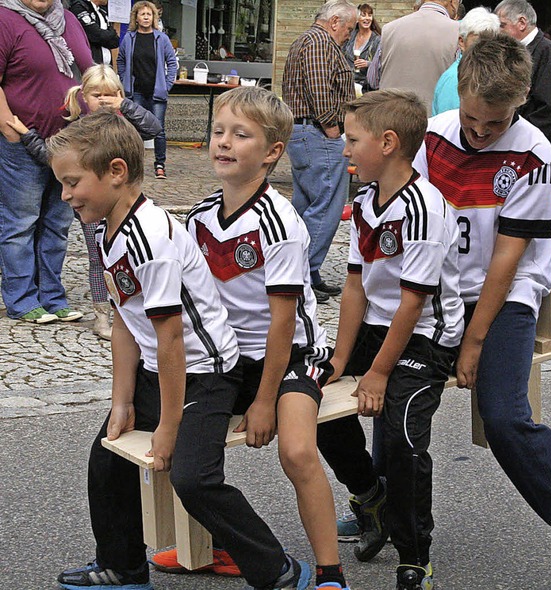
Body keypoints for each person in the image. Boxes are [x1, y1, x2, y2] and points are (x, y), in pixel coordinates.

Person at [49, 110, 312, 590]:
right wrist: (122, 401)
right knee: (108, 457)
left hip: (206, 374)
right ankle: (124, 568)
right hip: (164, 373)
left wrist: (168, 426)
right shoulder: (110, 229)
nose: (65, 195)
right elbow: (128, 325)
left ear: (116, 173)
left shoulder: (150, 238)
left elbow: (171, 341)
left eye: (72, 183)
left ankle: (276, 569)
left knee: (193, 478)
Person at [413, 32, 551, 590]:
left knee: (504, 416)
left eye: (494, 124)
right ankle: (387, 512)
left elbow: (509, 256)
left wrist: (474, 342)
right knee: (396, 402)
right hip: (439, 291)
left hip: (503, 297)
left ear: (522, 99)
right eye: (473, 121)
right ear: (462, 91)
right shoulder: (434, 133)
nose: (480, 133)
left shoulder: (533, 152)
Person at [173, 85, 348, 590]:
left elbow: (283, 321)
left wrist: (266, 401)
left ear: (272, 153)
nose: (223, 143)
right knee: (178, 450)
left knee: (295, 450)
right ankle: (217, 546)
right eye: (218, 132)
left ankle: (330, 572)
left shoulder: (281, 222)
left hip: (292, 356)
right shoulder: (200, 216)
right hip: (230, 358)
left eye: (240, 135)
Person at [320, 88, 464, 590]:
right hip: (377, 329)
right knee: (305, 396)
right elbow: (355, 285)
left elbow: (413, 302)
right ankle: (369, 496)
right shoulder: (365, 201)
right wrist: (339, 359)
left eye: (352, 140)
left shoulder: (424, 207)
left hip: (424, 337)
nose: (344, 150)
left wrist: (378, 373)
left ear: (387, 143)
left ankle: (414, 555)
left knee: (403, 439)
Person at [6, 64, 161, 340]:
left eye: (110, 94)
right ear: (83, 96)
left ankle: (140, 310)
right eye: (96, 94)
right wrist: (26, 133)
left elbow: (154, 127)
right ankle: (102, 315)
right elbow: (50, 154)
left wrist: (124, 104)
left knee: (136, 254)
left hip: (127, 205)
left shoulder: (124, 121)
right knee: (97, 256)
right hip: (92, 208)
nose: (103, 100)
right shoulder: (77, 127)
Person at [0, 0, 92, 324]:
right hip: (22, 141)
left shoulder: (67, 19)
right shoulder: (5, 18)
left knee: (58, 223)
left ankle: (52, 297)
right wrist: (9, 129)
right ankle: (22, 300)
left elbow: (88, 72)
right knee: (20, 224)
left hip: (70, 143)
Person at [282, 0, 358, 304]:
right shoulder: (318, 41)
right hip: (316, 132)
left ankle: (305, 275)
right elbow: (318, 87)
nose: (349, 36)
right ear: (336, 21)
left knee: (305, 206)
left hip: (306, 132)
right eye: (349, 29)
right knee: (325, 206)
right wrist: (332, 128)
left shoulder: (308, 40)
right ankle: (301, 275)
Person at [495, 0, 551, 160]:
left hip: (533, 149)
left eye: (502, 25)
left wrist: (514, 131)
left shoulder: (546, 51)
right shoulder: (518, 50)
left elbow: (549, 107)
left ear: (521, 23)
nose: (498, 32)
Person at [117, 0, 176, 180]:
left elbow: (172, 63)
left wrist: (167, 85)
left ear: (154, 17)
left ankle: (160, 164)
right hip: (136, 92)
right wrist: (124, 80)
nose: (145, 17)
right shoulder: (129, 38)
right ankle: (135, 165)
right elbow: (121, 60)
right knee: (135, 130)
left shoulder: (162, 38)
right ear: (136, 17)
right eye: (142, 14)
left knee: (159, 130)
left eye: (149, 14)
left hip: (156, 92)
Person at [378, 0, 459, 117]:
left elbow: (373, 78)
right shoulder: (459, 32)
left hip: (388, 118)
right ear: (452, 1)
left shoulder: (389, 28)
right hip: (430, 124)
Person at [432, 7, 500, 116]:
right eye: (477, 42)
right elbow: (450, 124)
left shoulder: (489, 73)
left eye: (490, 42)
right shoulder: (455, 78)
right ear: (462, 42)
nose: (484, 48)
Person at [342, 3, 381, 93]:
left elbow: (381, 64)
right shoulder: (350, 36)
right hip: (347, 86)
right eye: (363, 15)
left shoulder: (377, 40)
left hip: (366, 88)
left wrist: (368, 64)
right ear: (357, 19)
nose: (367, 18)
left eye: (370, 15)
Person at [69, 0, 119, 65]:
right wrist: (111, 34)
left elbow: (115, 42)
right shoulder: (79, 7)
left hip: (106, 67)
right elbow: (96, 35)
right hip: (90, 66)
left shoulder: (102, 11)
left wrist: (106, 36)